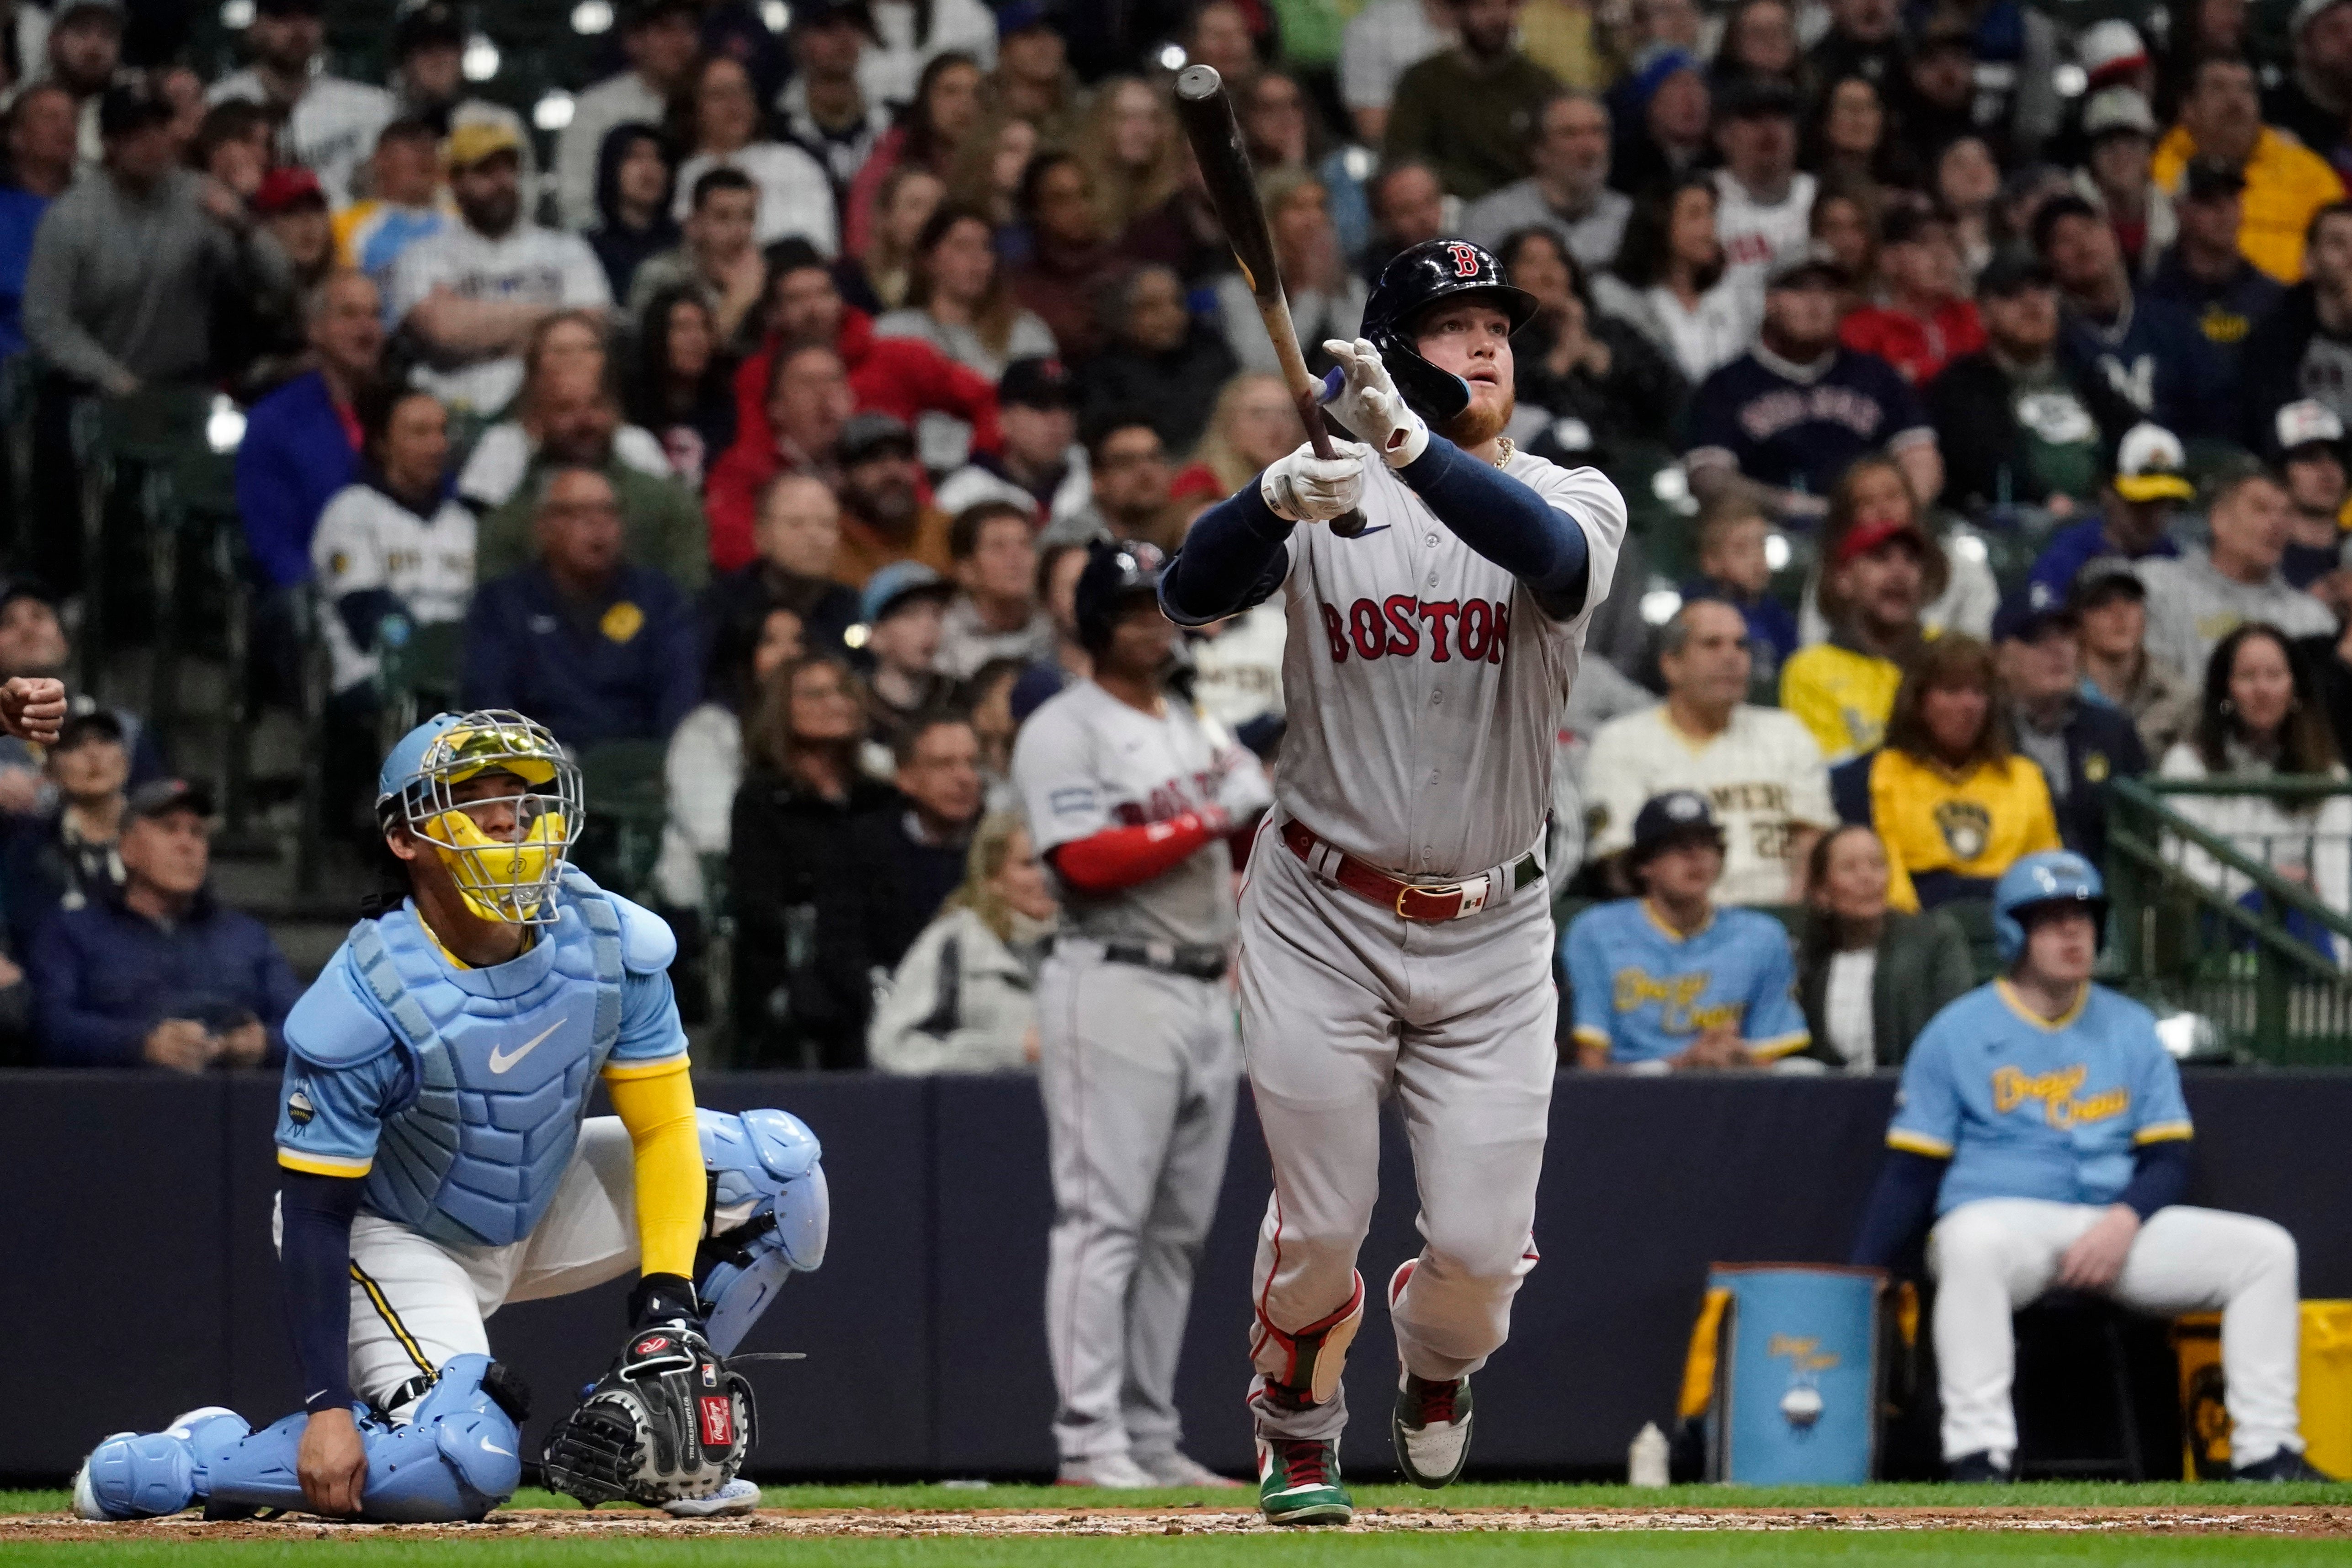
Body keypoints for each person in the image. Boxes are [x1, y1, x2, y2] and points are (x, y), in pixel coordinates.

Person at [68, 713, 830, 1520]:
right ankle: (185, 1460)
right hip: (394, 1234)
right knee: (461, 1462)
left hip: (533, 1202)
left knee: (774, 1174)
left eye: (520, 797)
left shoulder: (611, 938)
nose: (507, 818)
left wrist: (668, 1303)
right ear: (406, 839)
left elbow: (666, 1132)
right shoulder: (364, 1000)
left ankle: (661, 1443)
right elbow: (316, 1217)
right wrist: (328, 1407)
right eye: (474, 799)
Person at [1159, 236, 1627, 1521]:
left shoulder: (1572, 490)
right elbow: (1186, 593)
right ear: (1383, 356)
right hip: (1320, 909)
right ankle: (1296, 1418)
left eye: (1498, 325)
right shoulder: (1328, 488)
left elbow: (1547, 557)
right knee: (1321, 1224)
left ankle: (1435, 1367)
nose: (1484, 344)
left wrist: (1409, 450)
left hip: (1492, 924)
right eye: (1449, 325)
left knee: (1478, 1258)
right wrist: (1272, 498)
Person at [1848, 850, 2324, 1483]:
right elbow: (1911, 1170)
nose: (2072, 933)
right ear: (2015, 931)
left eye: (2082, 918)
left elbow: (2166, 1158)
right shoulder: (1957, 1030)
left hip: (2110, 1224)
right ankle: (1978, 1453)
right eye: (2050, 919)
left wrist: (2123, 1220)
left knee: (2265, 1249)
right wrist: (1862, 1268)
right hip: (2005, 1223)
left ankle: (2266, 1453)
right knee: (1967, 1241)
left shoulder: (2129, 1026)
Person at [1010, 539, 1270, 1488]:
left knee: (1174, 1231)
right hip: (1110, 977)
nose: (1152, 622)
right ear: (1092, 621)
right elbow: (1079, 859)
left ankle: (1148, 1431)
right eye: (1130, 608)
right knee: (1102, 1219)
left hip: (1207, 985)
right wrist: (1209, 816)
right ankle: (1088, 1436)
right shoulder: (1061, 725)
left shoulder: (1187, 716)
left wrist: (1241, 808)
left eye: (1159, 604)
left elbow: (1245, 822)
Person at [22, 85, 290, 399]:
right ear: (109, 143)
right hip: (97, 390)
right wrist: (114, 379)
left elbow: (280, 283)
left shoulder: (203, 198)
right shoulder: (71, 217)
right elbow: (45, 320)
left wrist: (244, 228)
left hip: (190, 386)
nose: (150, 143)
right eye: (135, 133)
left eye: (159, 129)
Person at [32, 776, 298, 1069]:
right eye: (169, 829)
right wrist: (143, 1045)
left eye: (197, 833)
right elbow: (50, 1027)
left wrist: (265, 1044)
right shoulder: (75, 931)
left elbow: (308, 1030)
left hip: (236, 1103)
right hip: (117, 1104)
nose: (187, 845)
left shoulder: (247, 936)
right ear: (128, 848)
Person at [1582, 599, 1831, 905]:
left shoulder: (1787, 733)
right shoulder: (1621, 741)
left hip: (1779, 916)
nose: (1731, 657)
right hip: (1674, 927)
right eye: (1712, 644)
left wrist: (1788, 919)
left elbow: (1814, 841)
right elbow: (1618, 861)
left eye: (1741, 645)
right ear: (1671, 664)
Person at [731, 653, 903, 1068]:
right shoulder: (763, 800)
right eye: (816, 694)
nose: (836, 703)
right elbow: (759, 904)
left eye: (843, 691)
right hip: (797, 966)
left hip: (881, 956)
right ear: (782, 711)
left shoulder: (879, 798)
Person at [1683, 248, 1940, 522]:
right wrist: (1792, 507)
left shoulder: (1876, 375)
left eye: (1828, 291)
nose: (1816, 304)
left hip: (1868, 534)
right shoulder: (1728, 384)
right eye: (1800, 290)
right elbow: (1708, 477)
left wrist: (1895, 509)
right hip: (1770, 536)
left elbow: (1921, 457)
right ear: (1770, 301)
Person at [1564, 790, 1811, 1070]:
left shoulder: (1762, 936)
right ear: (1645, 864)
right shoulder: (1597, 931)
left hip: (1734, 1092)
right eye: (1678, 846)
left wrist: (1735, 1058)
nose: (1696, 857)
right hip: (1635, 1091)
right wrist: (1684, 1065)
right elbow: (1591, 1066)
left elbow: (1768, 1054)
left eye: (1707, 844)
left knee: (1803, 1070)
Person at [460, 466, 699, 750]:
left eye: (608, 512)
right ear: (545, 527)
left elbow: (681, 698)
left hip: (641, 769)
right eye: (580, 513)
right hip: (540, 770)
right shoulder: (503, 604)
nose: (598, 525)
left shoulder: (657, 599)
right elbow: (492, 705)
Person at [389, 121, 611, 419]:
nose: (502, 181)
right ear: (454, 181)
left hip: (548, 413)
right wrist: (554, 315)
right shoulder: (422, 254)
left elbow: (590, 326)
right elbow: (443, 330)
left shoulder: (567, 250)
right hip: (454, 414)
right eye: (485, 171)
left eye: (509, 169)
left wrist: (473, 319)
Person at [1831, 635, 2063, 912]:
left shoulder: (2026, 776)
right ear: (1918, 701)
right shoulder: (1875, 774)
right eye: (1952, 691)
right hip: (1915, 929)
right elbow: (1885, 882)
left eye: (1979, 692)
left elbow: (2047, 874)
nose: (1969, 705)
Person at [2158, 620, 2352, 936]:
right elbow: (2183, 866)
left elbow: (2337, 884)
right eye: (2247, 676)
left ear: (2295, 689)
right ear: (2225, 690)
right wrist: (2265, 879)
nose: (2262, 689)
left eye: (2274, 676)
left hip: (2301, 926)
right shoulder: (2188, 764)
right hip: (2216, 920)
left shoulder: (2329, 775)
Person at [1931, 256, 2144, 519]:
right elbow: (1980, 465)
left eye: (2042, 289)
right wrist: (2041, 498)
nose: (2032, 303)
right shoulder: (1962, 386)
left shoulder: (2083, 371)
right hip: (2015, 529)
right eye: (2012, 293)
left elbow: (2136, 433)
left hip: (2107, 519)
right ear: (1983, 314)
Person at [470, 362, 709, 593]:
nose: (584, 420)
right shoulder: (507, 523)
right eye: (565, 408)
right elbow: (498, 614)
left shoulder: (668, 505)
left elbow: (690, 599)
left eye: (595, 405)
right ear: (535, 421)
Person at [310, 383, 476, 705]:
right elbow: (368, 615)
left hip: (457, 684)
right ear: (383, 444)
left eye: (442, 432)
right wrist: (431, 654)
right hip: (377, 686)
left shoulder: (463, 522)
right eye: (420, 433)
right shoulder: (352, 510)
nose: (437, 445)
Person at [867, 809, 1056, 1075]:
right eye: (1028, 865)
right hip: (976, 1108)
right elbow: (894, 1047)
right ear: (992, 879)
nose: (1046, 876)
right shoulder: (955, 943)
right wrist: (1011, 1050)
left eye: (1052, 862)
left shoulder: (1085, 945)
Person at [652, 594, 804, 919]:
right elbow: (715, 837)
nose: (792, 655)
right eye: (771, 642)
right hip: (710, 912)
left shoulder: (815, 732)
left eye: (799, 641)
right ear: (741, 657)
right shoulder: (707, 732)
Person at [234, 270, 384, 598]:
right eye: (349, 314)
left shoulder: (404, 412)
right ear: (315, 330)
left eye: (375, 315)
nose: (366, 329)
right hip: (318, 600)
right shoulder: (274, 424)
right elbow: (275, 547)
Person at [1497, 231, 1686, 477]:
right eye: (1532, 262)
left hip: (1640, 460)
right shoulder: (1502, 343)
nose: (1547, 274)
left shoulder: (1613, 331)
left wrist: (1602, 360)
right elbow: (1510, 411)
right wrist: (1562, 359)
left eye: (1556, 261)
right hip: (1552, 468)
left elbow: (1670, 392)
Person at [2037, 194, 2223, 440]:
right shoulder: (2053, 342)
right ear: (2048, 260)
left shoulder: (2172, 321)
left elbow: (2216, 407)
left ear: (2113, 236)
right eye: (2065, 240)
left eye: (2089, 229)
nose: (2083, 245)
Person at [1793, 823, 1976, 1071]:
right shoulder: (1809, 958)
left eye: (1877, 864)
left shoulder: (1934, 940)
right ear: (1822, 892)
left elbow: (1958, 1033)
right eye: (1849, 868)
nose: (1867, 877)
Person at [2152, 56, 2345, 286]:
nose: (2235, 102)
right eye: (2218, 88)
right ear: (2188, 108)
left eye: (2246, 90)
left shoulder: (2307, 170)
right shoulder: (2161, 170)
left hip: (2300, 307)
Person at [2139, 462, 2336, 681]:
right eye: (2261, 509)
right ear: (2219, 518)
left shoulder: (2312, 619)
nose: (2277, 523)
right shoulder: (2158, 587)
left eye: (2285, 514)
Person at [1993, 594, 2149, 870]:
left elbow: (2144, 828)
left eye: (2065, 637)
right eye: (2037, 639)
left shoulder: (2112, 730)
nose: (2058, 650)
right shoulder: (1986, 734)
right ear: (2001, 658)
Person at [1779, 507, 1936, 762]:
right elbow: (1830, 774)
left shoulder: (1947, 654)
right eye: (1880, 558)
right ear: (1844, 580)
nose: (1900, 572)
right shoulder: (1811, 669)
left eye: (1911, 559)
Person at [204, 0, 393, 206]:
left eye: (309, 15)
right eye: (283, 16)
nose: (298, 28)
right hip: (255, 230)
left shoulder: (370, 105)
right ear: (256, 27)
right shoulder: (217, 102)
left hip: (348, 229)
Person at [1381, 0, 1557, 204]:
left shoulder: (1539, 83)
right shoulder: (1423, 80)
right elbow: (1403, 156)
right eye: (1483, 6)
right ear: (1457, 14)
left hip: (1523, 204)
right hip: (1446, 205)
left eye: (1506, 6)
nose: (1495, 18)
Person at [1601, 175, 1759, 386]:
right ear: (1659, 221)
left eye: (1711, 214)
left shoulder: (1732, 294)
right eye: (1695, 216)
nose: (1709, 229)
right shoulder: (1622, 298)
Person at [1213, 170, 1366, 387]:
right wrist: (1312, 296)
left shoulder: (1349, 285)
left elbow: (1364, 362)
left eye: (1321, 207)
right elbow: (1264, 370)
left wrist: (1331, 288)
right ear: (1270, 221)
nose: (1315, 219)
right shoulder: (1239, 289)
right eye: (1299, 208)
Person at [671, 55, 836, 256]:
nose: (734, 104)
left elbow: (821, 246)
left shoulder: (793, 163)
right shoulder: (686, 173)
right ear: (694, 107)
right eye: (719, 95)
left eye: (741, 91)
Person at [2146, 160, 2284, 399]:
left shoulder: (2273, 297)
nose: (2223, 211)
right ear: (2180, 211)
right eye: (2207, 200)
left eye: (2231, 198)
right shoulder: (2154, 296)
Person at [559, 0, 701, 229]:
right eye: (666, 30)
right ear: (634, 41)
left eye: (689, 29)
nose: (680, 42)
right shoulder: (597, 107)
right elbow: (576, 201)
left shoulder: (712, 102)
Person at [859, 712, 984, 966]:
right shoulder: (862, 851)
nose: (964, 778)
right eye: (943, 765)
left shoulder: (1001, 849)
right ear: (906, 778)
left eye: (973, 764)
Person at [0, 709, 128, 954]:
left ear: (126, 759)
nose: (94, 755)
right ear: (49, 770)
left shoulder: (161, 836)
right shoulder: (27, 850)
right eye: (74, 745)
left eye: (105, 740)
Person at [2025, 422, 2194, 605]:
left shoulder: (2175, 558)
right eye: (2141, 503)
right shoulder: (2068, 557)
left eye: (2163, 503)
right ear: (2108, 494)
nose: (2152, 515)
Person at [1461, 92, 1630, 271]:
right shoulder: (1492, 220)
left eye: (1597, 132)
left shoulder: (1632, 219)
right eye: (1570, 134)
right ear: (1538, 150)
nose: (1589, 148)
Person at [1091, 265, 1246, 456]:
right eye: (1151, 307)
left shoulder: (1210, 351)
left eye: (1177, 303)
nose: (1170, 316)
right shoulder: (1100, 377)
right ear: (1123, 315)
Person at [705, 472, 863, 659]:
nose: (814, 538)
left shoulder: (854, 610)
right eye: (796, 524)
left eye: (826, 524)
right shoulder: (721, 613)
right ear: (761, 534)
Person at [2239, 202, 2352, 442]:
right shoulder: (2275, 336)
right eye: (2337, 243)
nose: (2351, 255)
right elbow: (2270, 426)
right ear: (2308, 260)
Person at [935, 356, 1089, 526]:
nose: (1057, 420)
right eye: (1040, 405)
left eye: (1067, 406)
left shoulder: (1094, 481)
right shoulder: (963, 496)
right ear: (1003, 420)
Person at [1839, 206, 1983, 388]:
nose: (1942, 256)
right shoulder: (1861, 330)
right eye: (1924, 244)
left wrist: (1918, 371)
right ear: (1889, 259)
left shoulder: (1970, 317)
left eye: (1951, 243)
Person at [628, 166, 769, 347]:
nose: (738, 230)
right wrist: (736, 302)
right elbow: (656, 355)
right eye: (722, 217)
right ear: (694, 224)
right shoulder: (660, 275)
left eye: (748, 217)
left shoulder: (766, 271)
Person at [2073, 558, 2198, 761]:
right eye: (2103, 603)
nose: (2120, 614)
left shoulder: (2180, 698)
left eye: (2131, 600)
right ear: (2078, 621)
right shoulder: (2060, 694)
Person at [1711, 78, 1816, 309]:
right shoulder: (1702, 200)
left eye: (1780, 116)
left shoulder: (1821, 198)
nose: (1770, 129)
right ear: (1723, 135)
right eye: (1754, 117)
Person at [778, 0, 892, 199]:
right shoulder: (777, 130)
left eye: (855, 24)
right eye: (827, 26)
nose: (844, 37)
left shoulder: (895, 121)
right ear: (798, 38)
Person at [628, 287, 739, 490]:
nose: (696, 339)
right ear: (658, 337)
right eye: (682, 328)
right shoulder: (630, 405)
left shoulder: (727, 403)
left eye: (703, 328)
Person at [1681, 498, 1797, 686]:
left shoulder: (1775, 612)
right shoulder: (1696, 612)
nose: (1757, 560)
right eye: (1741, 550)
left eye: (1761, 546)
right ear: (1710, 561)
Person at [333, 117, 448, 301]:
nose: (426, 154)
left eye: (431, 147)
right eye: (414, 146)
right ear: (381, 159)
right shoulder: (344, 225)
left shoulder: (465, 219)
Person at [937, 501, 1049, 679]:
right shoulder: (942, 641)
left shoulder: (1054, 625)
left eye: (1025, 544)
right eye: (998, 548)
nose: (1017, 559)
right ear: (966, 570)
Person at [856, 560, 957, 756]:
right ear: (876, 636)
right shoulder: (855, 709)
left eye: (936, 614)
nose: (928, 627)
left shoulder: (959, 698)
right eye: (910, 615)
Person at [1048, 415, 1178, 551]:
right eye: (1126, 462)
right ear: (1097, 480)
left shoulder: (1186, 531)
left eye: (1154, 458)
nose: (1146, 472)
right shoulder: (1071, 544)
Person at [585, 122, 679, 305]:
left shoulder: (684, 243)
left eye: (658, 158)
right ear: (612, 168)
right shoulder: (588, 250)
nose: (650, 168)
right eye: (635, 157)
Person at [2272, 400, 2352, 589]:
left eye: (2337, 456)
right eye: (2309, 457)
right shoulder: (2263, 559)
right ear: (2278, 474)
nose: (2328, 469)